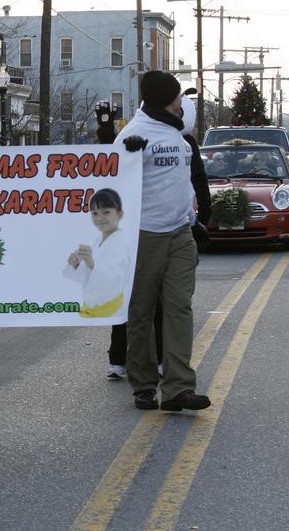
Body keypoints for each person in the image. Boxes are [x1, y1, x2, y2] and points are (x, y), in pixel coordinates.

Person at [114, 70, 211, 412]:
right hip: (144, 235)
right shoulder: (134, 135)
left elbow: (184, 184)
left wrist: (193, 220)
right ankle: (143, 384)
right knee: (141, 311)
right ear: (169, 99)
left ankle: (178, 389)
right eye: (178, 96)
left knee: (179, 309)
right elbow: (115, 186)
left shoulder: (180, 137)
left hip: (180, 234)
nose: (182, 102)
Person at [64, 188, 131, 320]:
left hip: (110, 308)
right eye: (95, 213)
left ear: (120, 214)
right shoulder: (98, 240)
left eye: (106, 212)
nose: (100, 218)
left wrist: (93, 264)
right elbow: (89, 278)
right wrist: (77, 264)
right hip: (94, 308)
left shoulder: (121, 242)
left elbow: (117, 278)